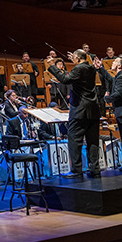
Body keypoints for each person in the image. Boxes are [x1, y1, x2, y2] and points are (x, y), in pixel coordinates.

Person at [47, 49, 100, 179]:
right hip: (93, 109)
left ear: (77, 57)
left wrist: (52, 66)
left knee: (74, 140)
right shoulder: (91, 68)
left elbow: (65, 79)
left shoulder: (78, 69)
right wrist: (75, 59)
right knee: (93, 141)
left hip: (80, 110)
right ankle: (95, 169)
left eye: (74, 58)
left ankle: (77, 170)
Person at [95, 55, 122, 172]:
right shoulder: (120, 76)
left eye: (115, 61)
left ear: (119, 65)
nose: (112, 62)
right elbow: (110, 79)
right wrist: (101, 68)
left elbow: (118, 93)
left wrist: (107, 99)